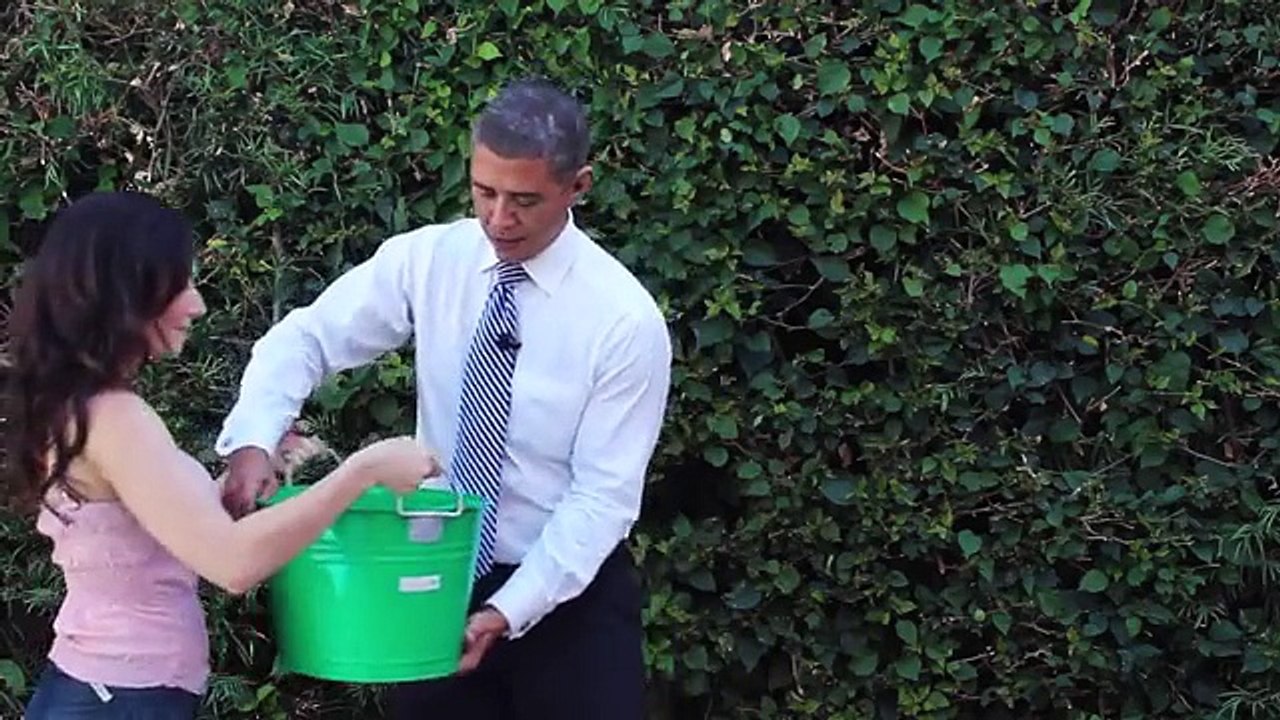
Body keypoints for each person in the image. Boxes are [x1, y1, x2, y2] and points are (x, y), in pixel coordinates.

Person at [217, 77, 673, 718]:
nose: (498, 218)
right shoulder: (430, 260)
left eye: (524, 200)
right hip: (429, 581)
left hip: (570, 602)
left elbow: (603, 499)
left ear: (579, 187)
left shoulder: (624, 321)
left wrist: (507, 610)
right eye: (484, 191)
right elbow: (310, 337)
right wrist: (253, 441)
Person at [5, 190, 441, 719]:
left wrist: (234, 488)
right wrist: (362, 472)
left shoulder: (85, 407)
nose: (198, 304)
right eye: (180, 284)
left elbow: (153, 528)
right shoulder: (114, 418)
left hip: (105, 689)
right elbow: (232, 564)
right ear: (127, 292)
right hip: (118, 699)